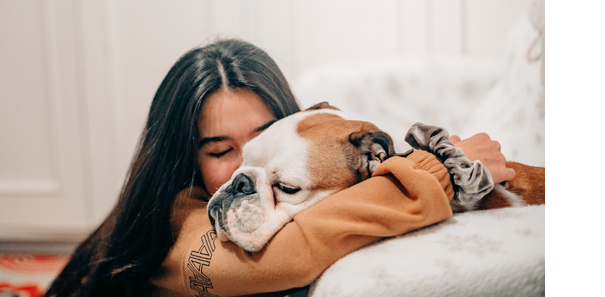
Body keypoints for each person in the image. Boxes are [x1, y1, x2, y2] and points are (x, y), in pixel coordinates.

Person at [44, 38, 514, 297]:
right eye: (219, 150)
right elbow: (293, 254)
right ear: (183, 157)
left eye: (266, 138)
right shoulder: (170, 226)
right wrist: (440, 170)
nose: (249, 165)